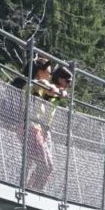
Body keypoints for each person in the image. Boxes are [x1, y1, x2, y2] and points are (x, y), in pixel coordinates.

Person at [16, 56, 62, 191]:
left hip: (36, 128)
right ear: (40, 71)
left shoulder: (39, 87)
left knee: (45, 165)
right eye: (49, 71)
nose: (50, 74)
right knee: (37, 162)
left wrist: (58, 91)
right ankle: (27, 189)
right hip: (29, 127)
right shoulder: (32, 84)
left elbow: (52, 95)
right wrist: (52, 87)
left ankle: (31, 188)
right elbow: (43, 84)